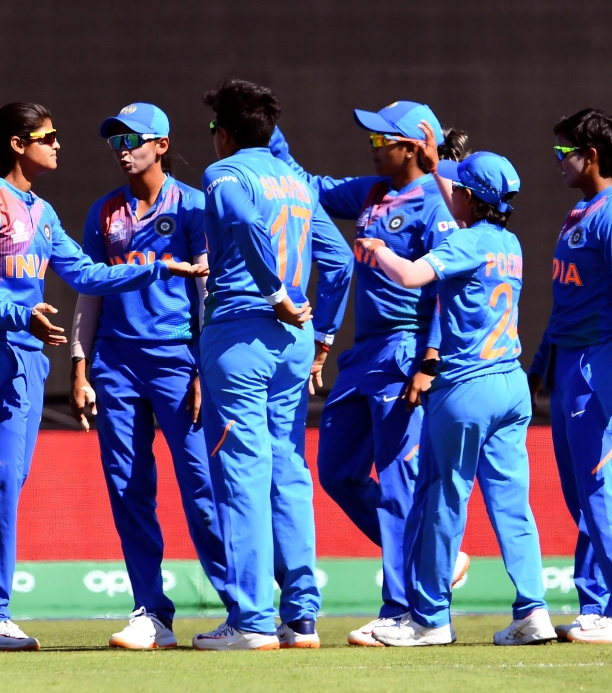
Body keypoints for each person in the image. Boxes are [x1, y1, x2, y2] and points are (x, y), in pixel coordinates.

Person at [0, 102, 205, 653]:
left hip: (26, 354)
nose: (59, 144)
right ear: (16, 144)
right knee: (1, 484)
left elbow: (85, 274)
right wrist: (18, 316)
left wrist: (158, 266)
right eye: (48, 136)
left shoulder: (43, 211)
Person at [269, 103, 469, 647]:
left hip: (405, 353)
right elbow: (305, 184)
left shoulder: (437, 204)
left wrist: (430, 359)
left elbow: (446, 292)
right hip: (363, 355)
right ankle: (433, 554)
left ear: (410, 146)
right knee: (335, 471)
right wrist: (267, 131)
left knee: (402, 481)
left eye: (382, 137)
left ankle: (404, 609)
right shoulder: (371, 191)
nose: (372, 144)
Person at [362, 151, 554, 647]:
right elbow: (467, 205)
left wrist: (376, 250)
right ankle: (533, 612)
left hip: (467, 386)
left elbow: (408, 276)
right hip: (511, 385)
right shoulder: (509, 242)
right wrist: (436, 169)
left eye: (457, 189)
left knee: (440, 500)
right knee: (513, 505)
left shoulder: (463, 241)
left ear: (468, 196)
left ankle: (428, 619)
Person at [193, 80, 349, 651]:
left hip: (242, 335)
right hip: (295, 343)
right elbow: (338, 263)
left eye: (214, 129)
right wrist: (323, 332)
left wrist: (275, 290)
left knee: (242, 476)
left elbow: (241, 220)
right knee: (287, 472)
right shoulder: (298, 184)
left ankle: (252, 620)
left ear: (226, 133)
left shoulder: (226, 173)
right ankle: (301, 617)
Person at [67, 102, 227, 650]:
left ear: (162, 144)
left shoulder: (195, 208)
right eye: (115, 141)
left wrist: (205, 365)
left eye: (133, 139)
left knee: (202, 487)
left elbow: (209, 288)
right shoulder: (103, 212)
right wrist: (80, 365)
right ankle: (151, 614)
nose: (123, 149)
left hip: (180, 363)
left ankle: (244, 609)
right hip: (115, 363)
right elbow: (89, 288)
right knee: (128, 488)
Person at [528, 108, 612, 645]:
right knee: (581, 493)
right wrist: (539, 366)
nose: (557, 163)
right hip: (569, 367)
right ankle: (597, 607)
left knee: (604, 487)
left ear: (592, 156)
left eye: (564, 153)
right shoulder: (580, 212)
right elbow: (566, 302)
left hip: (604, 364)